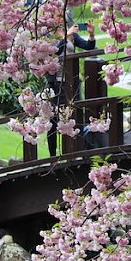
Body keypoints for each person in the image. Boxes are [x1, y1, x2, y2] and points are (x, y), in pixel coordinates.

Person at [46, 16, 96, 156]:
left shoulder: (72, 34)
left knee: (75, 114)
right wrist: (66, 35)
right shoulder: (47, 35)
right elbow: (55, 51)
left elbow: (88, 46)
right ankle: (52, 155)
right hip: (56, 83)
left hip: (72, 82)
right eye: (55, 14)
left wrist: (91, 34)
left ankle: (75, 151)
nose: (58, 18)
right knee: (54, 118)